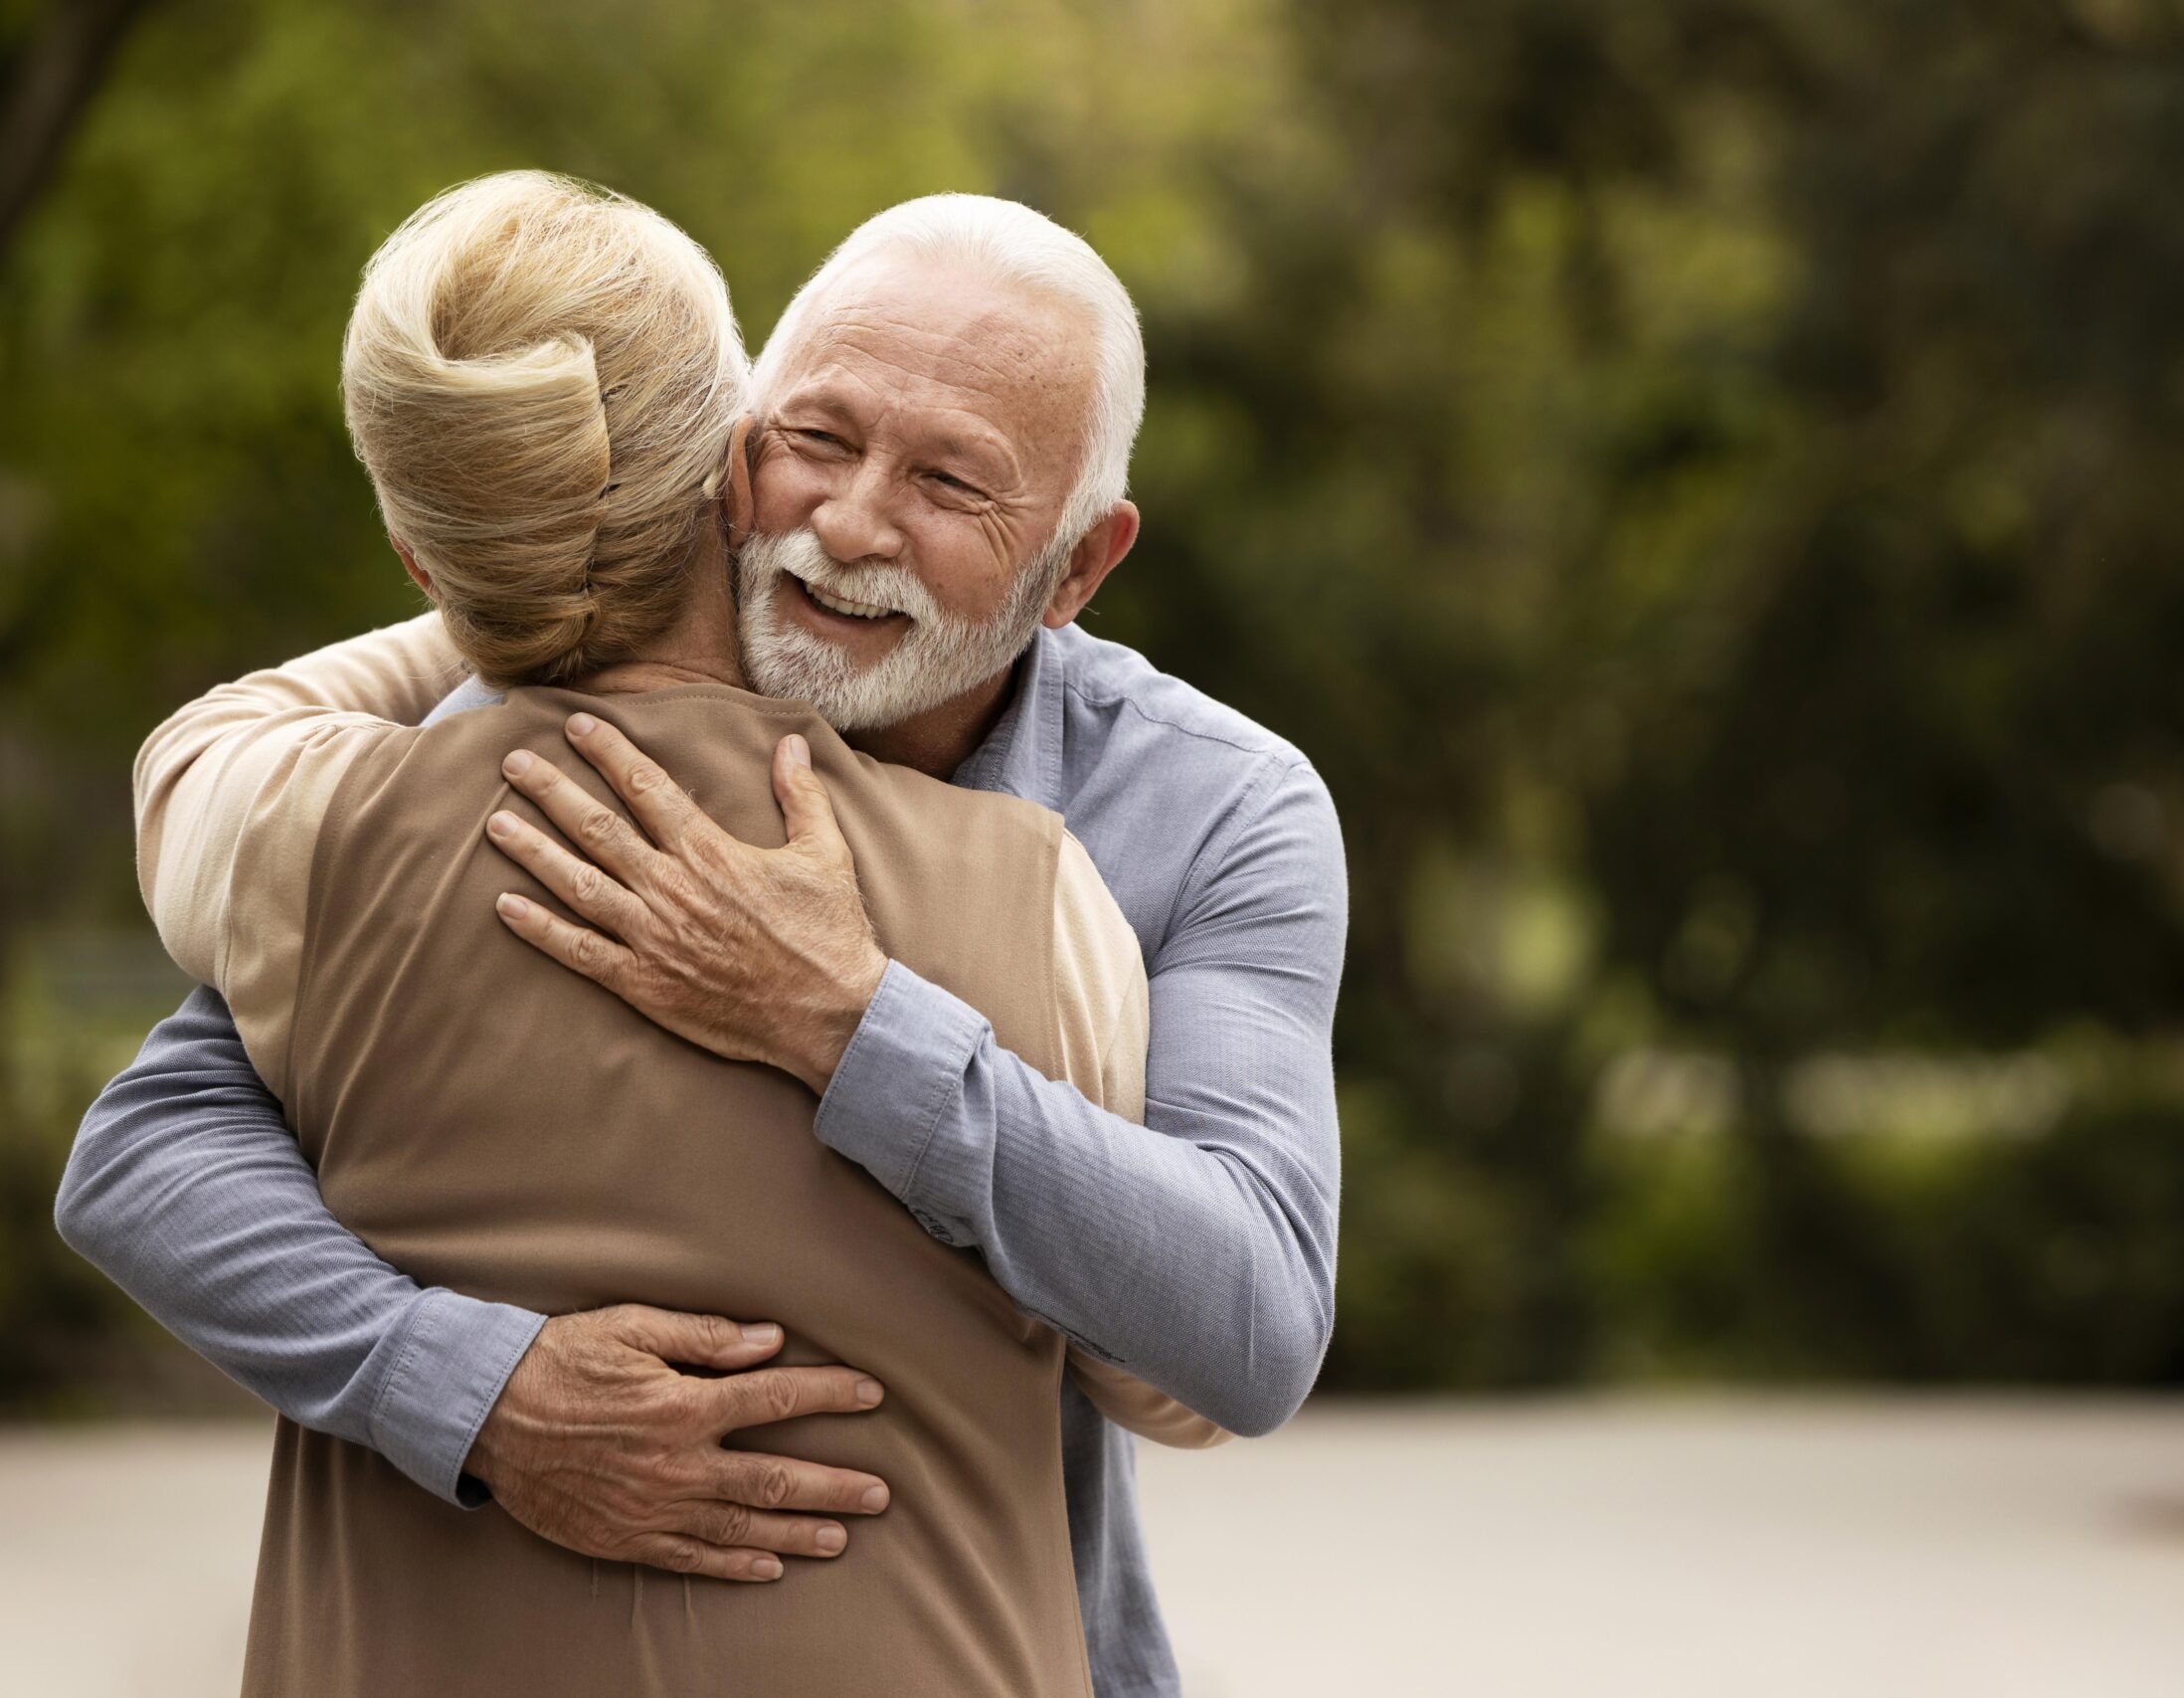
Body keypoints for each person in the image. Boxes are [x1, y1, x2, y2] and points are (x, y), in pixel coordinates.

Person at [62, 187, 1349, 1698]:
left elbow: (1249, 1319)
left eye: (951, 483)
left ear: (1077, 566)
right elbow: (155, 1149)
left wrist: (848, 1023)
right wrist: (479, 1392)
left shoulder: (1210, 806)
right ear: (727, 448)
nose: (851, 524)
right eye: (816, 438)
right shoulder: (549, 725)